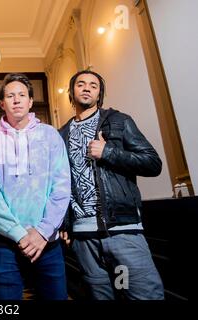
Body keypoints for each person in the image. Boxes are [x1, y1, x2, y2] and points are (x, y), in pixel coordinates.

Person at [58, 69, 164, 300]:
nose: (87, 88)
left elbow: (152, 163)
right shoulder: (60, 135)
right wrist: (65, 222)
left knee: (138, 295)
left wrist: (109, 152)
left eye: (93, 86)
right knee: (102, 296)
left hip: (121, 233)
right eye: (81, 84)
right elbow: (61, 183)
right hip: (83, 238)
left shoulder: (118, 121)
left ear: (99, 94)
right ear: (71, 91)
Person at [0, 73, 71, 300]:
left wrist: (42, 231)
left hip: (47, 241)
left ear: (30, 102)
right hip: (4, 244)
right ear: (2, 104)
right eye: (10, 96)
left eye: (22, 95)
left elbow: (61, 187)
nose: (16, 100)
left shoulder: (50, 135)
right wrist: (19, 233)